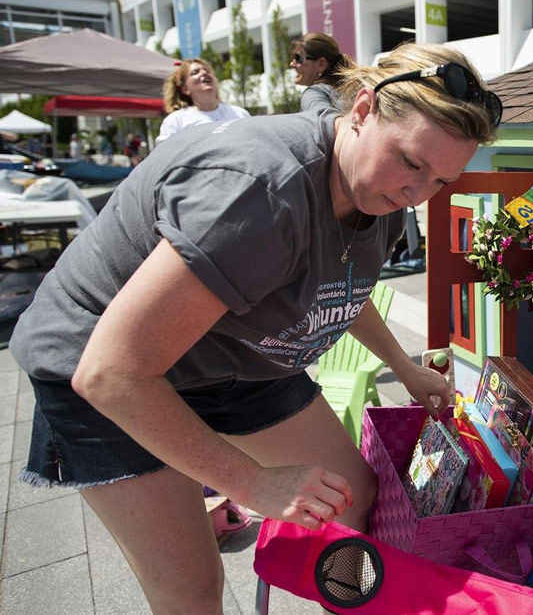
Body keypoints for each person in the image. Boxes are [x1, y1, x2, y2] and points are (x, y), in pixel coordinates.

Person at [10, 42, 502, 614]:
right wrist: (249, 482)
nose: (416, 194)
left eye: (441, 181)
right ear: (363, 110)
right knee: (191, 592)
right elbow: (111, 373)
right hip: (108, 366)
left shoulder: (382, 193)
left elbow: (340, 283)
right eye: (412, 162)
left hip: (235, 356)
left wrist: (404, 368)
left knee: (356, 498)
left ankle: (354, 605)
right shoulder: (260, 192)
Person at [156, 59, 250, 143]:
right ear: (185, 89)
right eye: (195, 72)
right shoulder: (176, 121)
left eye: (207, 71)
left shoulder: (240, 114)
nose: (204, 73)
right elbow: (165, 156)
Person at [290, 32, 351, 112]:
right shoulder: (348, 90)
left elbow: (323, 119)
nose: (291, 64)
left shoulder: (313, 94)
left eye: (298, 58)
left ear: (321, 64)